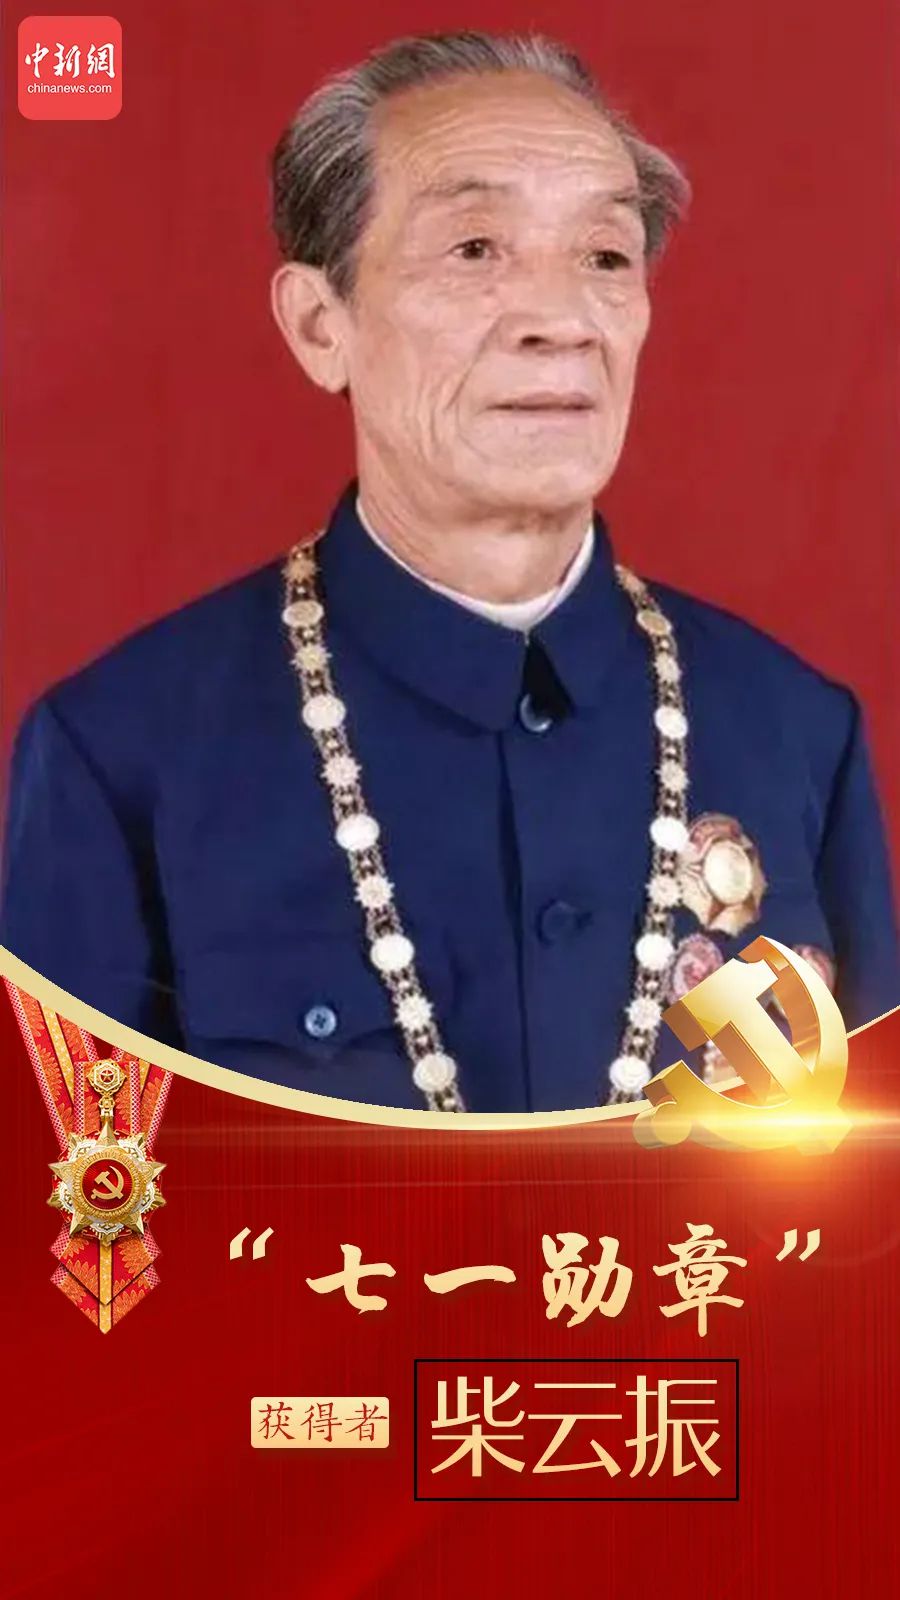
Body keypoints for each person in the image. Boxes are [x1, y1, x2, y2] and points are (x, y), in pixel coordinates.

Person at [2, 31, 898, 1113]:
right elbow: (80, 1205)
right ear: (320, 325)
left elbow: (866, 1189)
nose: (560, 322)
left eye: (605, 257)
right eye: (475, 248)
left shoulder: (797, 732)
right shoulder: (121, 755)